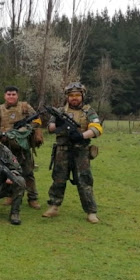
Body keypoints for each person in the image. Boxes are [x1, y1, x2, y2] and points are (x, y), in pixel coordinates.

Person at [42, 82, 103, 223]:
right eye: (71, 95)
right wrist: (58, 123)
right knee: (58, 178)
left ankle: (91, 211)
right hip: (62, 150)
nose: (74, 98)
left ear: (82, 96)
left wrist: (82, 136)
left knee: (84, 180)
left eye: (77, 95)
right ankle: (54, 206)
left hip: (80, 151)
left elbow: (97, 128)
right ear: (67, 97)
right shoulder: (60, 111)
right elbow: (50, 128)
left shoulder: (89, 111)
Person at [0, 86, 43, 209]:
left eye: (13, 94)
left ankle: (33, 198)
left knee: (28, 172)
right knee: (7, 172)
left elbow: (37, 121)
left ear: (17, 95)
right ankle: (10, 195)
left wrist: (25, 129)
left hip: (23, 147)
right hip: (6, 147)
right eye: (9, 94)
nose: (11, 96)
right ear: (5, 96)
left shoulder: (25, 107)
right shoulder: (0, 110)